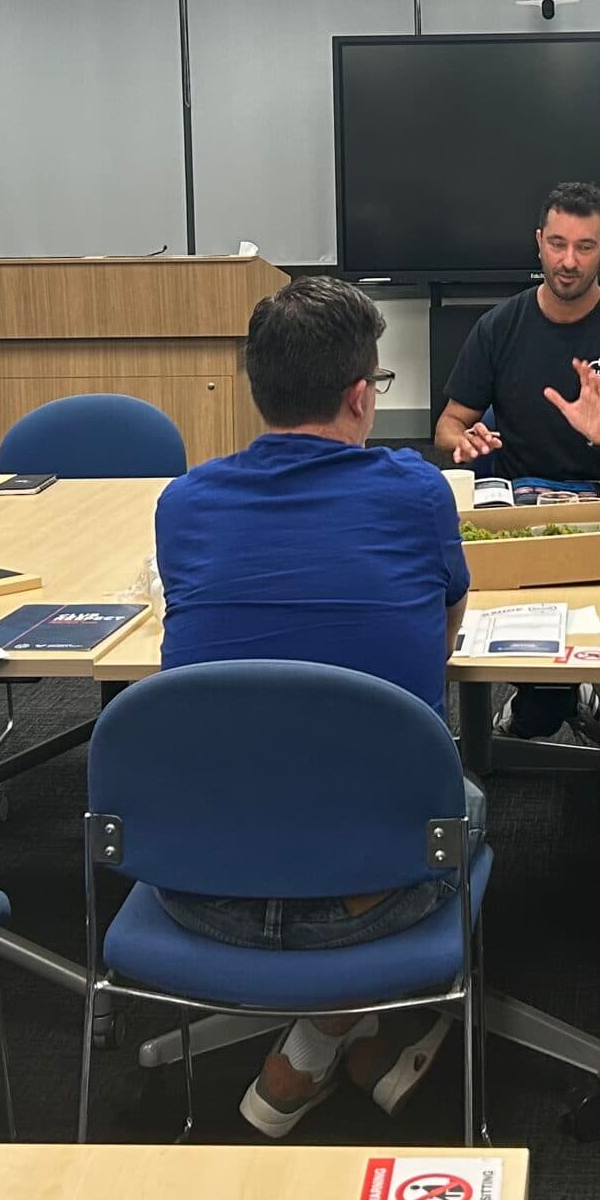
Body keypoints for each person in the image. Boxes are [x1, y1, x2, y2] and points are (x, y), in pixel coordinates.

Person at [155, 275, 481, 1137]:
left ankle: (329, 1040)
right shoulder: (417, 493)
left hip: (197, 877)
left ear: (257, 391)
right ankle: (336, 1028)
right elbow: (442, 637)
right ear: (361, 395)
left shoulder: (184, 504)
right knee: (466, 797)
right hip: (374, 886)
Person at [434, 181, 600, 745]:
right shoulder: (498, 327)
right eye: (557, 244)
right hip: (517, 509)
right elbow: (447, 425)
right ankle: (560, 699)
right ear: (539, 242)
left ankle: (539, 707)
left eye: (584, 247)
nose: (568, 261)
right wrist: (465, 440)